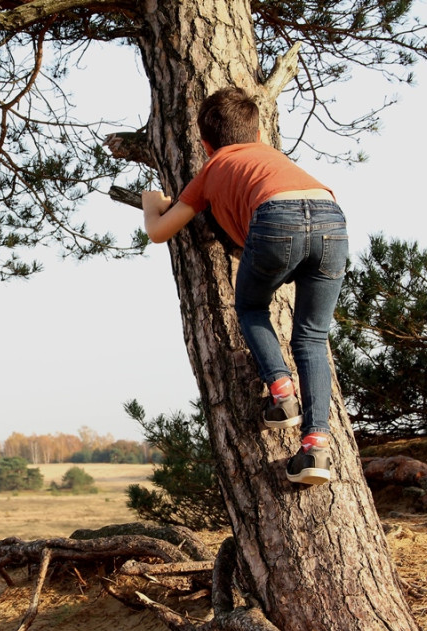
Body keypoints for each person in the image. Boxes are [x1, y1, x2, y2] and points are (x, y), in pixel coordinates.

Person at [142, 86, 348, 485]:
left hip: (276, 218)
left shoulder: (210, 170)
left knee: (252, 308)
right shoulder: (275, 157)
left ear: (205, 144)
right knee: (311, 337)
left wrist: (153, 204)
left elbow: (160, 231)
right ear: (257, 135)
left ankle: (283, 393)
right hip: (331, 215)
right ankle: (315, 450)